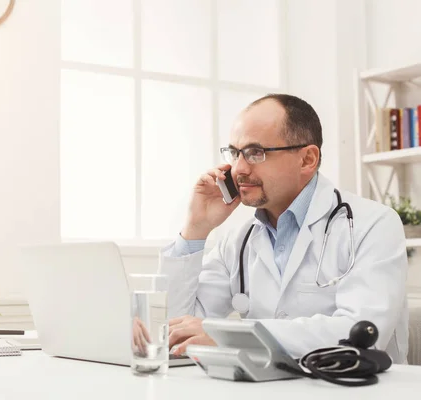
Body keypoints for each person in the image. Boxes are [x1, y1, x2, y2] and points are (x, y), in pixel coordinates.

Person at [159, 93, 409, 364]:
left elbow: (361, 334)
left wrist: (228, 336)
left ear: (307, 160)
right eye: (235, 153)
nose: (239, 168)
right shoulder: (238, 241)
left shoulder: (373, 224)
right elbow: (173, 330)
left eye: (255, 153)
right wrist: (196, 228)